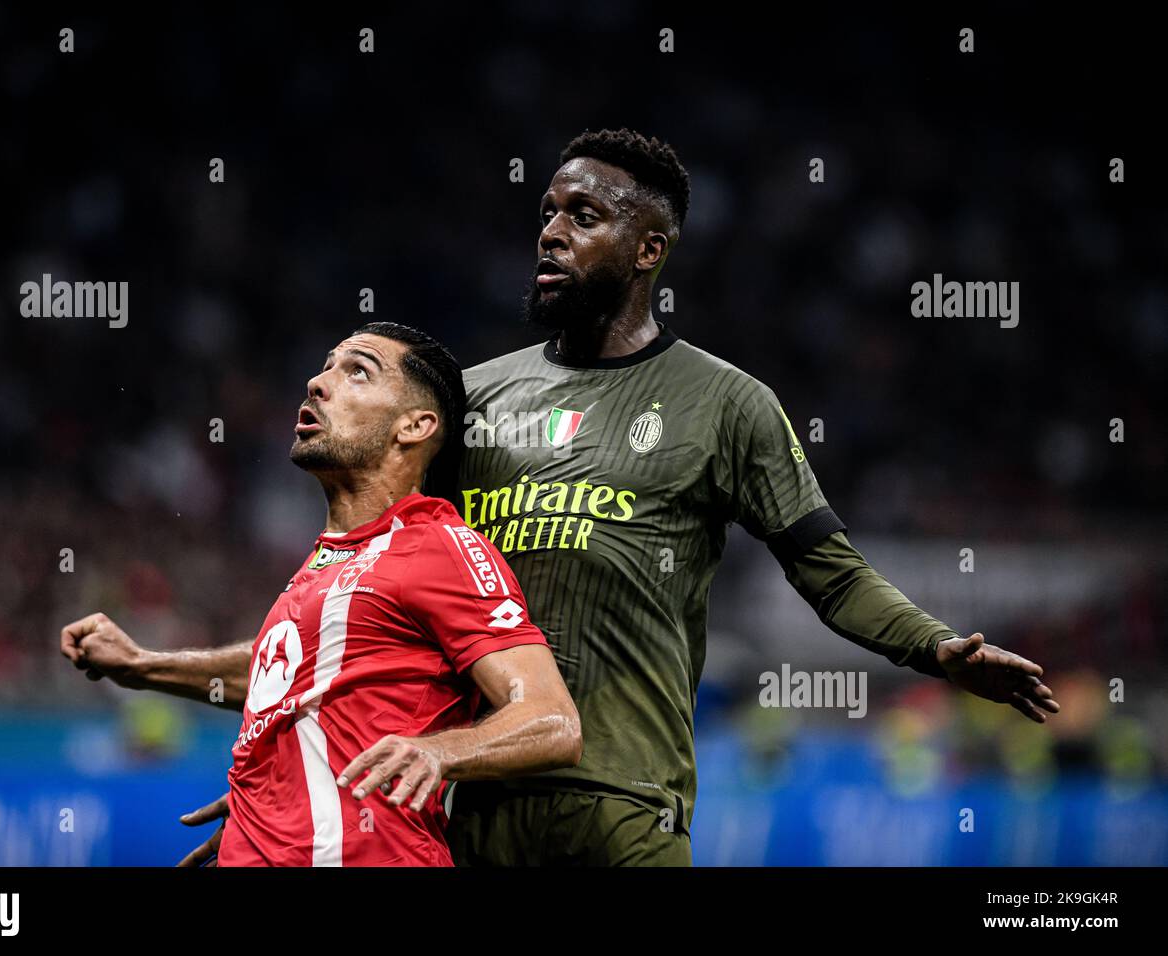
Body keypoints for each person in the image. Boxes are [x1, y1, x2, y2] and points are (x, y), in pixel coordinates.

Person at [64, 129, 1058, 867]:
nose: (550, 231)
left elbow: (827, 572)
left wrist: (934, 646)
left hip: (621, 802)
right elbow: (355, 635)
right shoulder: (469, 402)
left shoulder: (727, 403)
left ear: (648, 250)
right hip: (465, 809)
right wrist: (283, 797)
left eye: (583, 216)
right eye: (546, 211)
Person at [60, 322, 580, 866]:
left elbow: (552, 719)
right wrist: (141, 666)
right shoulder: (328, 563)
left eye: (357, 371)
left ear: (414, 426)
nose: (317, 382)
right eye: (326, 365)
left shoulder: (437, 546)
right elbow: (287, 676)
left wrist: (438, 751)